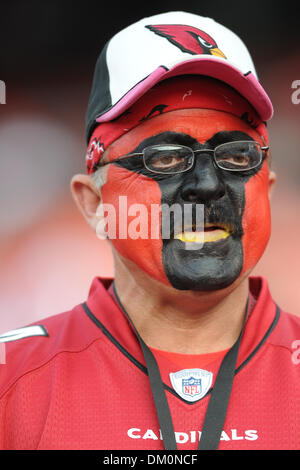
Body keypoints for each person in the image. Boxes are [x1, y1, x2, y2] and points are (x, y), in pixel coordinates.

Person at [0, 11, 299, 451]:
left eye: (236, 156)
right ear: (94, 203)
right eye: (165, 158)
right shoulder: (13, 379)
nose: (208, 185)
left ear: (268, 191)